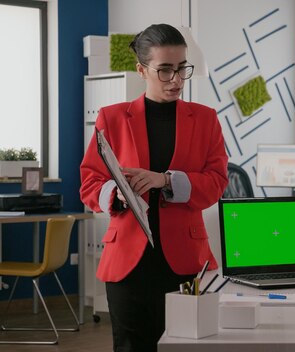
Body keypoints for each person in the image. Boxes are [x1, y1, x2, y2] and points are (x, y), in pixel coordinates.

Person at [80, 24, 228, 352]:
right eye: (164, 70)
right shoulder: (112, 117)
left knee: (188, 347)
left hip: (187, 263)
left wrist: (166, 179)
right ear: (141, 70)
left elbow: (217, 183)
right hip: (127, 263)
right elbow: (90, 182)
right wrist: (114, 195)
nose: (176, 80)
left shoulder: (206, 119)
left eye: (181, 69)